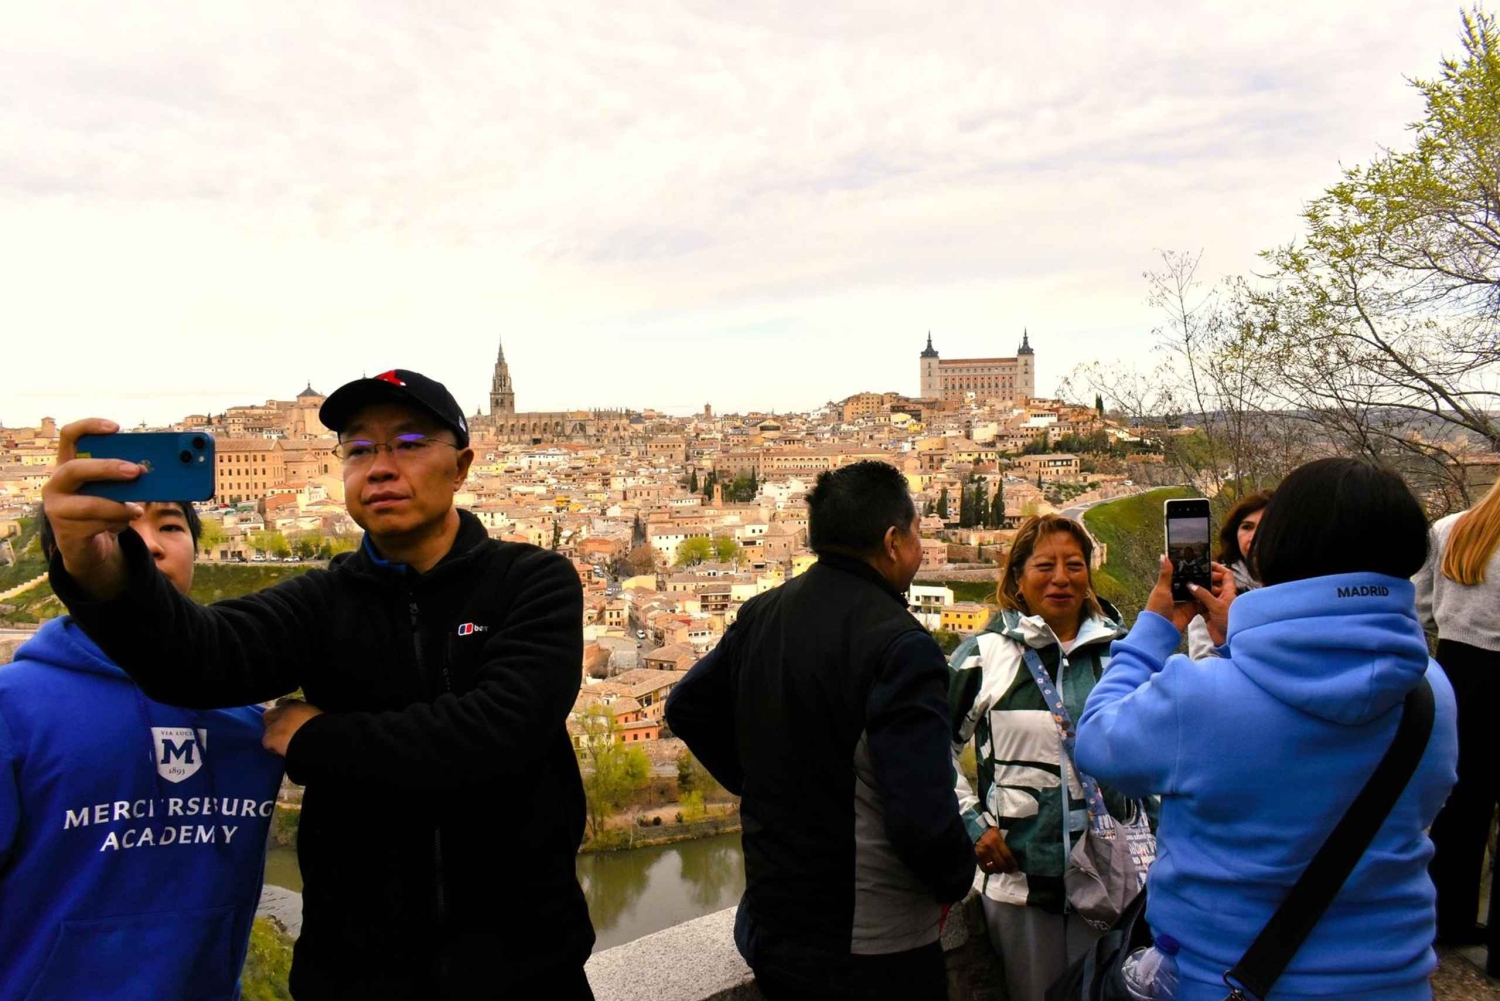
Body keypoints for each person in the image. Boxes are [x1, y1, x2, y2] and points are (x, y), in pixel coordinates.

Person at [41, 370, 594, 1000]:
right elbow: (194, 660)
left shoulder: (533, 582)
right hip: (354, 980)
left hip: (529, 974)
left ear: (462, 466)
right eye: (359, 450)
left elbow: (499, 734)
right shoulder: (320, 603)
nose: (380, 467)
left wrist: (317, 739)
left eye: (408, 444)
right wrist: (96, 570)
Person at [1077, 458, 1459, 1001]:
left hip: (1229, 981)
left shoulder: (1202, 696)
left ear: (1279, 548)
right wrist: (1243, 642)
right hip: (1394, 980)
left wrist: (1156, 625)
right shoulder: (1432, 691)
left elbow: (1097, 738)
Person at [664, 461, 974, 1001]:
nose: (920, 546)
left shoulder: (763, 613)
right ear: (893, 541)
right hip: (872, 949)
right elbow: (922, 816)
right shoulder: (902, 647)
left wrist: (754, 780)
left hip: (775, 924)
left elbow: (687, 706)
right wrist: (959, 875)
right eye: (919, 532)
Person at [0, 502, 284, 1001]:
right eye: (117, 528)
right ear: (62, 553)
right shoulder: (11, 709)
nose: (148, 544)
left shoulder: (248, 723)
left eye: (170, 526)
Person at [947, 513, 1135, 1001]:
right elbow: (930, 748)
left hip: (1117, 881)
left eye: (1074, 565)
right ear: (1017, 577)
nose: (1060, 578)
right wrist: (972, 823)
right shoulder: (984, 655)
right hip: (1021, 885)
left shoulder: (1123, 655)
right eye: (1044, 565)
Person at [1415, 476, 1500, 966]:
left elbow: (1419, 605)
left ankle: (1447, 919)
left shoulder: (1449, 529)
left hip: (1457, 670)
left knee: (1459, 802)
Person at [1185, 490, 1271, 659]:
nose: (1254, 536)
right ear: (1234, 534)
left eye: (1267, 526)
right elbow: (1203, 661)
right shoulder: (1216, 589)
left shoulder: (1302, 586)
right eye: (1247, 527)